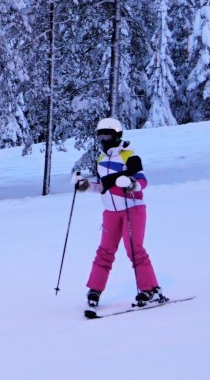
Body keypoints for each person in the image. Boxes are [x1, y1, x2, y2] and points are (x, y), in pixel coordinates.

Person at [72, 116, 167, 317]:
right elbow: (101, 187)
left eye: (108, 135)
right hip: (110, 212)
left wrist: (131, 184)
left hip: (132, 209)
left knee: (134, 249)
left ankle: (149, 288)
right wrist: (84, 186)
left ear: (117, 136)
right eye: (101, 136)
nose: (104, 140)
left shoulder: (129, 156)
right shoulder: (100, 160)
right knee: (104, 251)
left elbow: (143, 181)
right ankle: (95, 290)